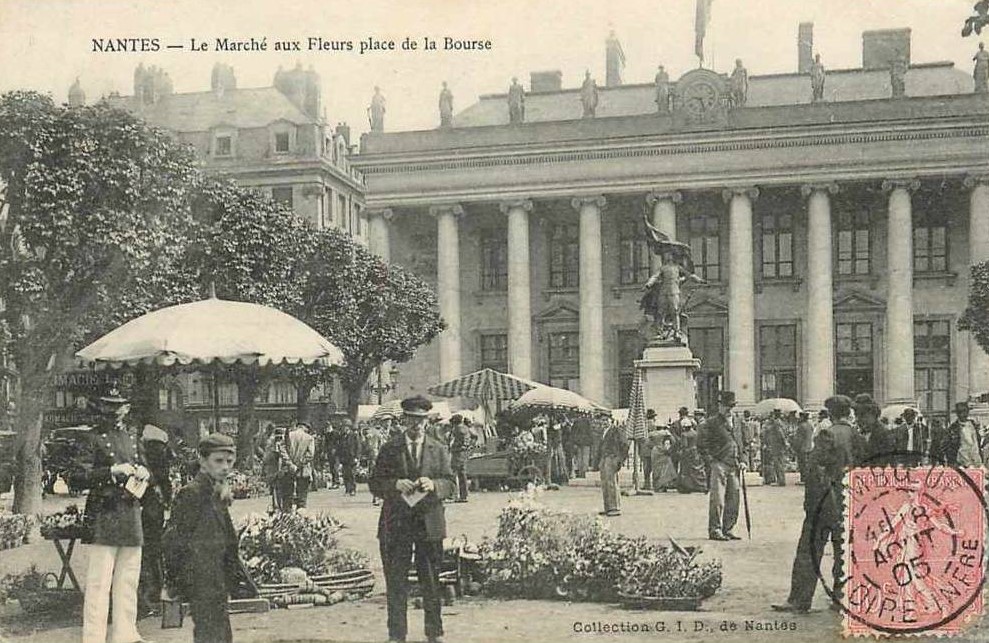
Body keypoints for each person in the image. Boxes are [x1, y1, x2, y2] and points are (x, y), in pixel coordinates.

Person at [369, 396, 455, 643]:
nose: (416, 425)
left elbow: (451, 483)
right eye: (411, 420)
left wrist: (434, 484)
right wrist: (394, 484)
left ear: (427, 421)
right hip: (397, 523)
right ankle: (396, 634)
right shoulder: (390, 448)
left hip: (429, 523)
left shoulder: (438, 449)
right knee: (396, 581)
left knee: (431, 581)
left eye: (421, 420)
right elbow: (374, 483)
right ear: (404, 420)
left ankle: (434, 633)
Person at [69, 390, 150, 643]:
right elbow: (76, 477)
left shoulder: (133, 437)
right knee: (99, 584)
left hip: (130, 515)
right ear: (101, 407)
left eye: (119, 406)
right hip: (105, 516)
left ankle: (125, 635)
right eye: (108, 405)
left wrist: (146, 473)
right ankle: (93, 638)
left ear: (126, 408)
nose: (114, 411)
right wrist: (111, 471)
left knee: (127, 581)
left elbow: (149, 469)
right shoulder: (91, 438)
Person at [773, 395, 858, 613]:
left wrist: (810, 503)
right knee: (843, 551)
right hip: (848, 501)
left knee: (808, 551)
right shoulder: (855, 435)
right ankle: (842, 597)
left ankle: (800, 599)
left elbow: (812, 470)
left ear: (830, 413)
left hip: (824, 503)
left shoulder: (827, 434)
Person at [164, 433, 249, 643]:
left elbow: (226, 538)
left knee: (220, 634)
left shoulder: (217, 490)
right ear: (202, 461)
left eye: (229, 461)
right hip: (200, 579)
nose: (225, 467)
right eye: (218, 461)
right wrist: (176, 582)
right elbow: (174, 541)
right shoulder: (192, 493)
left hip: (217, 577)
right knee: (209, 634)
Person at [138, 424, 173, 619]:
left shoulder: (149, 464)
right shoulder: (159, 463)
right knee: (153, 554)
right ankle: (154, 596)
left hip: (148, 511)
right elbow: (165, 485)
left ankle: (149, 598)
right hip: (154, 510)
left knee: (148, 554)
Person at [699, 391, 744, 541]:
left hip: (734, 465)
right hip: (718, 464)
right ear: (719, 406)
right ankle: (715, 529)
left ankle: (728, 528)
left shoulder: (737, 422)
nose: (728, 409)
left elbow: (740, 442)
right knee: (717, 499)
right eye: (725, 406)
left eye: (731, 406)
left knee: (734, 498)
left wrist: (743, 460)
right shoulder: (711, 422)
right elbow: (702, 444)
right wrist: (710, 461)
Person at [597, 420, 628, 517]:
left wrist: (620, 459)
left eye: (606, 420)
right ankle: (608, 507)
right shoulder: (604, 432)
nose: (604, 422)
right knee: (605, 483)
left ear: (611, 421)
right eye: (602, 420)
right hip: (604, 458)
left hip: (612, 457)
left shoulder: (616, 431)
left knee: (611, 482)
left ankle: (614, 507)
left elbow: (624, 444)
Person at [283, 421, 315, 510]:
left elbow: (283, 451)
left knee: (288, 496)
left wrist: (291, 464)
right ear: (305, 428)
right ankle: (300, 516)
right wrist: (299, 463)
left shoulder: (289, 435)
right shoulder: (309, 438)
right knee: (302, 496)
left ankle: (287, 517)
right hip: (303, 471)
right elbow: (310, 455)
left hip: (289, 469)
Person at [857, 394, 893, 467]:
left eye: (862, 415)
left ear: (873, 414)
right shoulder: (859, 433)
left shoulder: (884, 433)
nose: (858, 419)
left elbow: (885, 461)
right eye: (856, 415)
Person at [947, 401, 982, 466]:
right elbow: (947, 447)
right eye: (960, 412)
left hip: (975, 460)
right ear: (957, 414)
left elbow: (977, 443)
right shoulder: (953, 428)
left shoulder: (973, 425)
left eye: (965, 411)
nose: (963, 414)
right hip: (960, 462)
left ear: (968, 412)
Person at [448, 414, 472, 502]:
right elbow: (474, 436)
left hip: (457, 452)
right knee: (462, 474)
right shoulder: (466, 428)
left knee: (452, 473)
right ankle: (464, 495)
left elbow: (454, 440)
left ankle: (452, 494)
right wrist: (468, 446)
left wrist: (454, 446)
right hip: (464, 453)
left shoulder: (457, 429)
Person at [761, 410, 787, 486]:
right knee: (779, 463)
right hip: (777, 446)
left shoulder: (776, 424)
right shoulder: (780, 423)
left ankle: (780, 480)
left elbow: (780, 434)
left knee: (778, 463)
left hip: (777, 446)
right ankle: (781, 480)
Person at [337, 419, 361, 496]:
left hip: (352, 457)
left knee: (352, 474)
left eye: (345, 426)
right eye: (343, 427)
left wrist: (357, 457)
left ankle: (353, 489)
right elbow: (340, 447)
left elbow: (358, 447)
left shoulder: (354, 435)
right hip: (344, 458)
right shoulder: (341, 436)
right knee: (345, 474)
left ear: (348, 427)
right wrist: (339, 459)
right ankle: (347, 489)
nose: (344, 428)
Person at [792, 411, 814, 485]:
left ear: (802, 418)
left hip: (802, 448)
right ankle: (808, 478)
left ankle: (803, 479)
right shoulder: (810, 425)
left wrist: (795, 447)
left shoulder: (801, 426)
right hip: (809, 447)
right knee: (807, 464)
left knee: (802, 464)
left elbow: (799, 439)